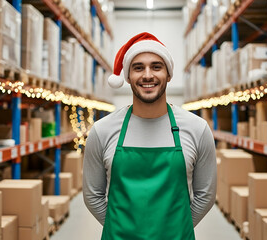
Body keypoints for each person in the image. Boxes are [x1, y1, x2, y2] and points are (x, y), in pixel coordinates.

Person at [83, 32, 217, 239]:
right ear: (127, 76)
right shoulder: (103, 130)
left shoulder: (197, 129)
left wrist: (175, 229)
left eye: (156, 66)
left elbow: (205, 195)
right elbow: (93, 195)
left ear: (169, 74)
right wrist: (122, 230)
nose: (147, 75)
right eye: (138, 68)